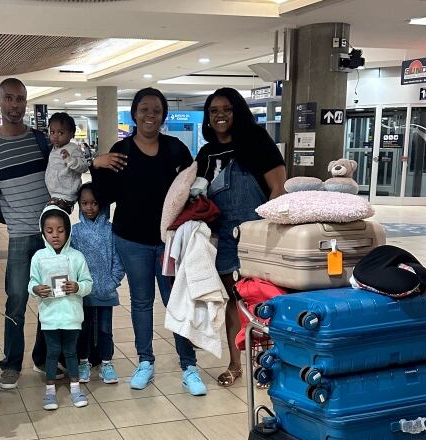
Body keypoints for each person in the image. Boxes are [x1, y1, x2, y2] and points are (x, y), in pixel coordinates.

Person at [91, 87, 207, 396]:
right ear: (134, 114)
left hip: (170, 241)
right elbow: (104, 196)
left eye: (156, 109)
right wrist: (96, 165)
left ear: (163, 114)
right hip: (131, 240)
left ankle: (189, 365)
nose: (149, 115)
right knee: (141, 302)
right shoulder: (122, 150)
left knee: (176, 300)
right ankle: (145, 361)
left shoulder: (175, 150)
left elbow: (192, 190)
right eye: (144, 109)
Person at [195, 87, 286, 387]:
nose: (220, 115)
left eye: (226, 109)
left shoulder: (256, 141)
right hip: (223, 235)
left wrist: (267, 228)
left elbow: (278, 186)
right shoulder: (206, 153)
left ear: (237, 112)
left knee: (263, 299)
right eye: (213, 110)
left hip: (258, 233)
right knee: (234, 300)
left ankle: (268, 363)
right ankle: (236, 364)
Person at [0, 77, 57, 389]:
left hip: (52, 236)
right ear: (0, 102)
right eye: (9, 98)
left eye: (20, 99)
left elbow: (61, 174)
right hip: (21, 235)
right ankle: (11, 363)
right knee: (16, 300)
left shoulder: (41, 141)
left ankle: (43, 358)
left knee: (53, 299)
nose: (15, 105)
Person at [29, 206, 93, 410]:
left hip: (72, 316)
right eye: (49, 231)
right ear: (43, 232)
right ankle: (49, 391)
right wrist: (36, 289)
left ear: (68, 231)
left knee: (71, 352)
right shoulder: (38, 257)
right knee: (52, 352)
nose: (55, 235)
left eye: (60, 230)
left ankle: (75, 388)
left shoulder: (77, 257)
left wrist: (78, 287)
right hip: (49, 316)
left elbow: (88, 283)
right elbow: (31, 282)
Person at [70, 183, 124, 384]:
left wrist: (112, 282)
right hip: (83, 293)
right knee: (83, 329)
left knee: (105, 329)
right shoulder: (74, 232)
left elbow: (119, 260)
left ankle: (106, 362)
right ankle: (83, 361)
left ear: (101, 204)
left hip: (106, 292)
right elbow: (71, 261)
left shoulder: (111, 230)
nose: (90, 207)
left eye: (94, 203)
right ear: (79, 205)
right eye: (85, 203)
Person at [45, 112, 89, 213]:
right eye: (52, 132)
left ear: (71, 134)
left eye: (60, 133)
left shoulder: (73, 148)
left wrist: (70, 160)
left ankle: (67, 205)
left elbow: (84, 166)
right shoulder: (54, 148)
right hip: (54, 194)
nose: (55, 136)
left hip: (67, 194)